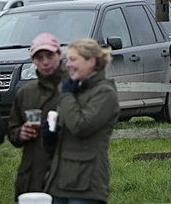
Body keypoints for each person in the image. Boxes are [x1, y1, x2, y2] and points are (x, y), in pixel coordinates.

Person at [44, 39, 119, 204]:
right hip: (59, 179)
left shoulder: (105, 93)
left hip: (86, 183)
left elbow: (81, 126)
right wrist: (51, 133)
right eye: (67, 60)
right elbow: (68, 128)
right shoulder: (75, 89)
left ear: (91, 61)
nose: (67, 65)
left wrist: (66, 96)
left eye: (73, 59)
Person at [8, 32, 66, 200]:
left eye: (49, 55)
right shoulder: (26, 93)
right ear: (33, 60)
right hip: (32, 173)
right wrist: (21, 133)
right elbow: (12, 130)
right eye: (39, 57)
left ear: (59, 55)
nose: (45, 62)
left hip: (65, 172)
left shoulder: (73, 88)